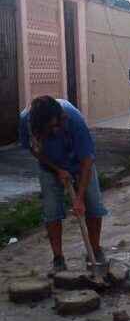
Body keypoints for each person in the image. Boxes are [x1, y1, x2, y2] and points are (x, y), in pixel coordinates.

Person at [19, 96, 108, 276]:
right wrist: (57, 169)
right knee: (51, 210)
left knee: (94, 204)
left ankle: (95, 250)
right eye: (50, 127)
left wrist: (79, 198)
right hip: (49, 166)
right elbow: (33, 150)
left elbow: (87, 160)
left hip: (80, 164)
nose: (56, 129)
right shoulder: (26, 122)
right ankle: (58, 259)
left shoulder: (73, 119)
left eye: (57, 125)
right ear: (39, 126)